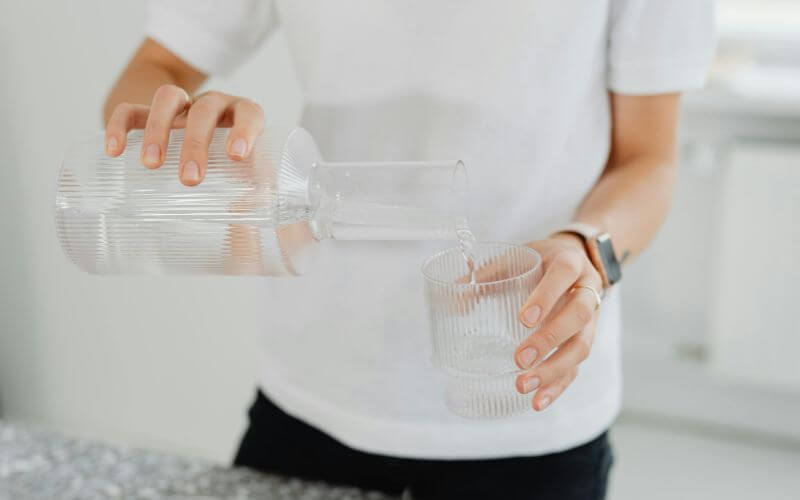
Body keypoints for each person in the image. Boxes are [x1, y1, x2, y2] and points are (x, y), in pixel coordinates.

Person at [103, 1, 714, 498]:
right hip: (315, 394)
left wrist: (587, 248)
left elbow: (648, 160)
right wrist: (184, 133)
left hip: (531, 414)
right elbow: (157, 66)